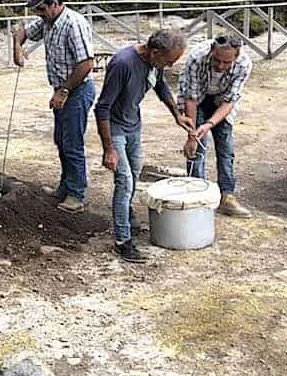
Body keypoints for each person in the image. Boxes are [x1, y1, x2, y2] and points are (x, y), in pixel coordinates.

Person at [94, 29, 194, 263]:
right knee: (125, 181)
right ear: (155, 51)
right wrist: (108, 148)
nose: (168, 66)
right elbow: (102, 108)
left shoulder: (154, 62)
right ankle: (123, 240)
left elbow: (161, 86)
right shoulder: (123, 64)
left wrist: (177, 115)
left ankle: (126, 216)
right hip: (116, 129)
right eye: (168, 61)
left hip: (133, 125)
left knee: (135, 173)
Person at [13, 0, 96, 213]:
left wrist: (64, 91)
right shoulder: (47, 22)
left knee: (72, 143)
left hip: (77, 90)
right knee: (61, 140)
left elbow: (86, 64)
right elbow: (21, 32)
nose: (38, 14)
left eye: (41, 9)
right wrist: (17, 49)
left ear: (55, 4)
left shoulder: (73, 24)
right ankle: (65, 186)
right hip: (62, 89)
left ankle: (76, 194)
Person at [178, 35, 254, 218]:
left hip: (222, 100)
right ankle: (198, 195)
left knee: (225, 146)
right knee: (197, 147)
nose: (220, 66)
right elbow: (191, 98)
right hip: (198, 97)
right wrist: (192, 135)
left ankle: (227, 196)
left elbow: (229, 102)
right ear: (212, 50)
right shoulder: (197, 58)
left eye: (226, 62)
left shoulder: (244, 64)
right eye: (217, 60)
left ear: (236, 56)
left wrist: (210, 123)